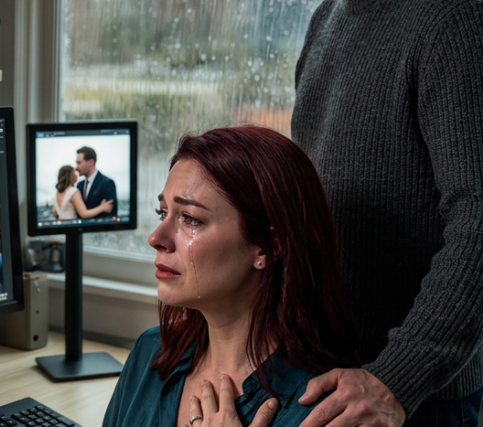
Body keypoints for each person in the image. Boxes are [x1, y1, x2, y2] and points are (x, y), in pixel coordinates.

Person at [290, 0, 483, 426]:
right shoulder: (326, 19)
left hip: (413, 400)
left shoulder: (456, 10)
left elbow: (478, 219)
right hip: (328, 380)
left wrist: (398, 378)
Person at [103, 126, 360, 427]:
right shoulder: (150, 352)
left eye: (190, 219)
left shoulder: (322, 410)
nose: (156, 237)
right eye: (163, 213)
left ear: (267, 247)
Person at [74, 146, 118, 218]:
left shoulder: (107, 183)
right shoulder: (79, 185)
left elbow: (111, 215)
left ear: (90, 162)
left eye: (79, 163)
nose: (76, 167)